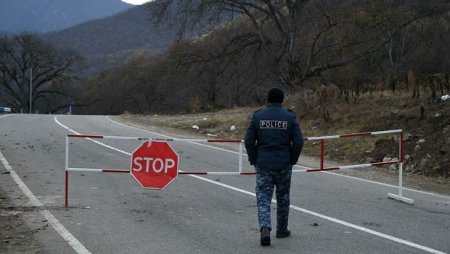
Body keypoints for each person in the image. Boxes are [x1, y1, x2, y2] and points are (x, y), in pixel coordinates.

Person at [244, 87, 303, 246]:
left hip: (263, 163)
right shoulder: (290, 116)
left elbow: (249, 141)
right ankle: (282, 229)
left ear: (268, 100)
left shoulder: (258, 116)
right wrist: (293, 159)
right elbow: (298, 141)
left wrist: (254, 159)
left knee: (263, 197)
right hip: (284, 163)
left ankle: (265, 228)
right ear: (282, 100)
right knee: (283, 197)